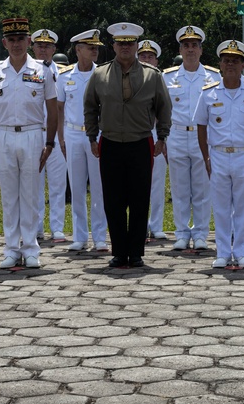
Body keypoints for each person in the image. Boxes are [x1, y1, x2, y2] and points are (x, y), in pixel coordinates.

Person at [84, 22, 172, 268]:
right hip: (110, 142)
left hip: (140, 141)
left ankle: (135, 252)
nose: (125, 48)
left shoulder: (151, 75)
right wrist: (92, 136)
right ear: (113, 46)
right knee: (113, 199)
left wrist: (162, 136)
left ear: (136, 46)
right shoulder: (99, 74)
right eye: (120, 43)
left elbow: (164, 108)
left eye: (130, 43)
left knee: (139, 198)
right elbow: (90, 106)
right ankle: (119, 251)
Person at [0, 18, 58, 269]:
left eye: (20, 39)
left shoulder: (43, 70)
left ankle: (31, 249)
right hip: (3, 135)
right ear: (4, 42)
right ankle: (11, 248)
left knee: (30, 194)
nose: (16, 44)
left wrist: (49, 143)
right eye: (11, 40)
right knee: (9, 197)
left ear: (29, 41)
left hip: (33, 134)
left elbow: (52, 109)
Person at [195, 39, 244, 268]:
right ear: (220, 64)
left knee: (243, 206)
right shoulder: (208, 93)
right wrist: (206, 156)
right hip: (217, 154)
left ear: (242, 66)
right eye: (226, 60)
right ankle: (223, 253)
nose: (230, 64)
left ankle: (242, 253)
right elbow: (201, 125)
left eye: (235, 61)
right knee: (221, 207)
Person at [165, 26, 219, 250]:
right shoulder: (167, 76)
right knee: (179, 189)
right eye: (186, 46)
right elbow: (161, 109)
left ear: (201, 49)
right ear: (180, 49)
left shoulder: (213, 76)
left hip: (202, 136)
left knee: (202, 188)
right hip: (176, 134)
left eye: (194, 46)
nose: (190, 50)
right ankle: (181, 233)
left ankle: (200, 234)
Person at [59, 29, 108, 252]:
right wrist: (61, 137)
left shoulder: (104, 74)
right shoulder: (64, 76)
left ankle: (99, 237)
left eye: (96, 47)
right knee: (76, 187)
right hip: (72, 133)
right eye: (90, 47)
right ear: (78, 50)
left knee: (99, 187)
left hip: (97, 134)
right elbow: (59, 109)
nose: (95, 50)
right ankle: (79, 236)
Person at [30, 28, 68, 241]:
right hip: (35, 134)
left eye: (47, 46)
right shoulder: (27, 71)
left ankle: (57, 227)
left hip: (57, 135)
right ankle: (36, 227)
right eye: (39, 45)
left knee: (58, 183)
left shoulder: (62, 73)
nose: (43, 49)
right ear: (33, 47)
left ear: (54, 49)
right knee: (34, 184)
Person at [138, 39, 169, 240]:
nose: (146, 59)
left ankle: (156, 225)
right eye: (143, 56)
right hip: (135, 136)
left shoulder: (161, 79)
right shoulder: (129, 78)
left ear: (157, 61)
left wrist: (163, 138)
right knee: (135, 185)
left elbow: (163, 110)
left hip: (156, 136)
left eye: (150, 56)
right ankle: (138, 226)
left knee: (157, 183)